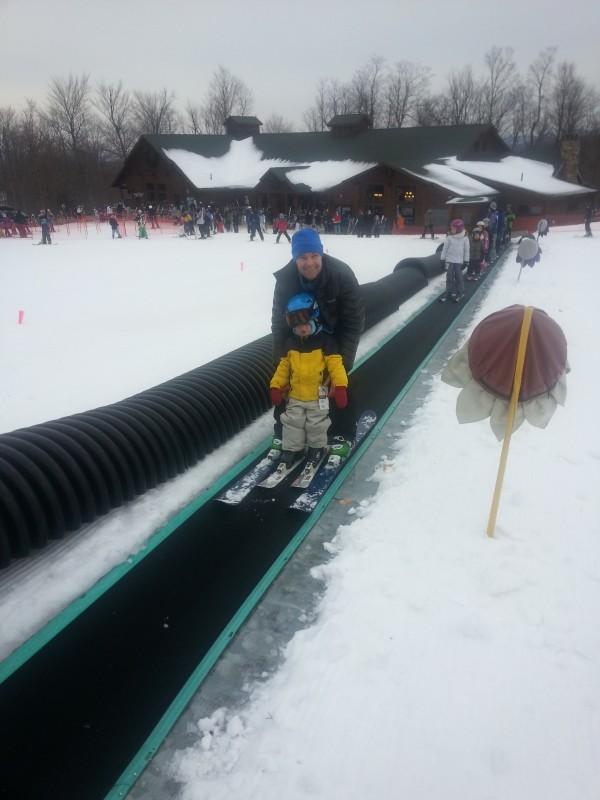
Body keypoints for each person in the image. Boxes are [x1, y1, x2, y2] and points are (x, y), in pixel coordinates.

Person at [271, 228, 364, 455]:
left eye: (314, 256)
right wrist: (280, 360)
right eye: (302, 257)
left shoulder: (341, 275)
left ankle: (343, 431)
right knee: (290, 383)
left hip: (335, 334)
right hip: (300, 337)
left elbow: (353, 321)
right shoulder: (286, 281)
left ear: (321, 254)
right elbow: (278, 324)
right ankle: (285, 432)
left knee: (338, 382)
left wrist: (344, 363)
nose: (309, 262)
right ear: (295, 258)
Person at [270, 293, 348, 473]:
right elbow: (283, 367)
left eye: (305, 324)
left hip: (316, 396)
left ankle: (316, 449)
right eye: (296, 326)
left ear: (315, 319)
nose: (301, 329)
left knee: (317, 424)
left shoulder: (326, 342)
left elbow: (336, 366)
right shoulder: (290, 343)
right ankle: (293, 450)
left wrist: (341, 386)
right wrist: (275, 386)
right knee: (292, 423)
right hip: (295, 396)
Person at [439, 218, 469, 303]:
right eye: (451, 228)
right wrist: (442, 259)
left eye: (453, 228)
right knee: (449, 278)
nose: (451, 230)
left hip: (459, 262)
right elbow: (444, 249)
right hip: (450, 261)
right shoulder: (449, 238)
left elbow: (466, 250)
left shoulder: (465, 239)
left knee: (459, 278)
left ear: (459, 229)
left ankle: (461, 292)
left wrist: (466, 261)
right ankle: (449, 291)